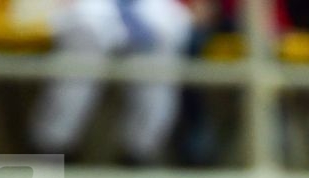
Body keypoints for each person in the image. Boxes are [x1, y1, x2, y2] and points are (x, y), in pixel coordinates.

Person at [30, 0, 194, 165]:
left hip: (147, 7)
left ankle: (138, 156)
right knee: (81, 49)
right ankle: (52, 148)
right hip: (91, 8)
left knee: (163, 40)